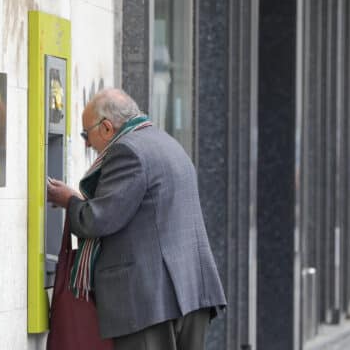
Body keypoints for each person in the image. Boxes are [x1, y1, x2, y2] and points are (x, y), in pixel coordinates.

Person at [47, 88, 227, 350]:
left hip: (150, 300)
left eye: (87, 134)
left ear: (107, 128)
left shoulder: (127, 152)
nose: (86, 144)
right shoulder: (166, 143)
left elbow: (98, 220)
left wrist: (69, 201)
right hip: (190, 292)